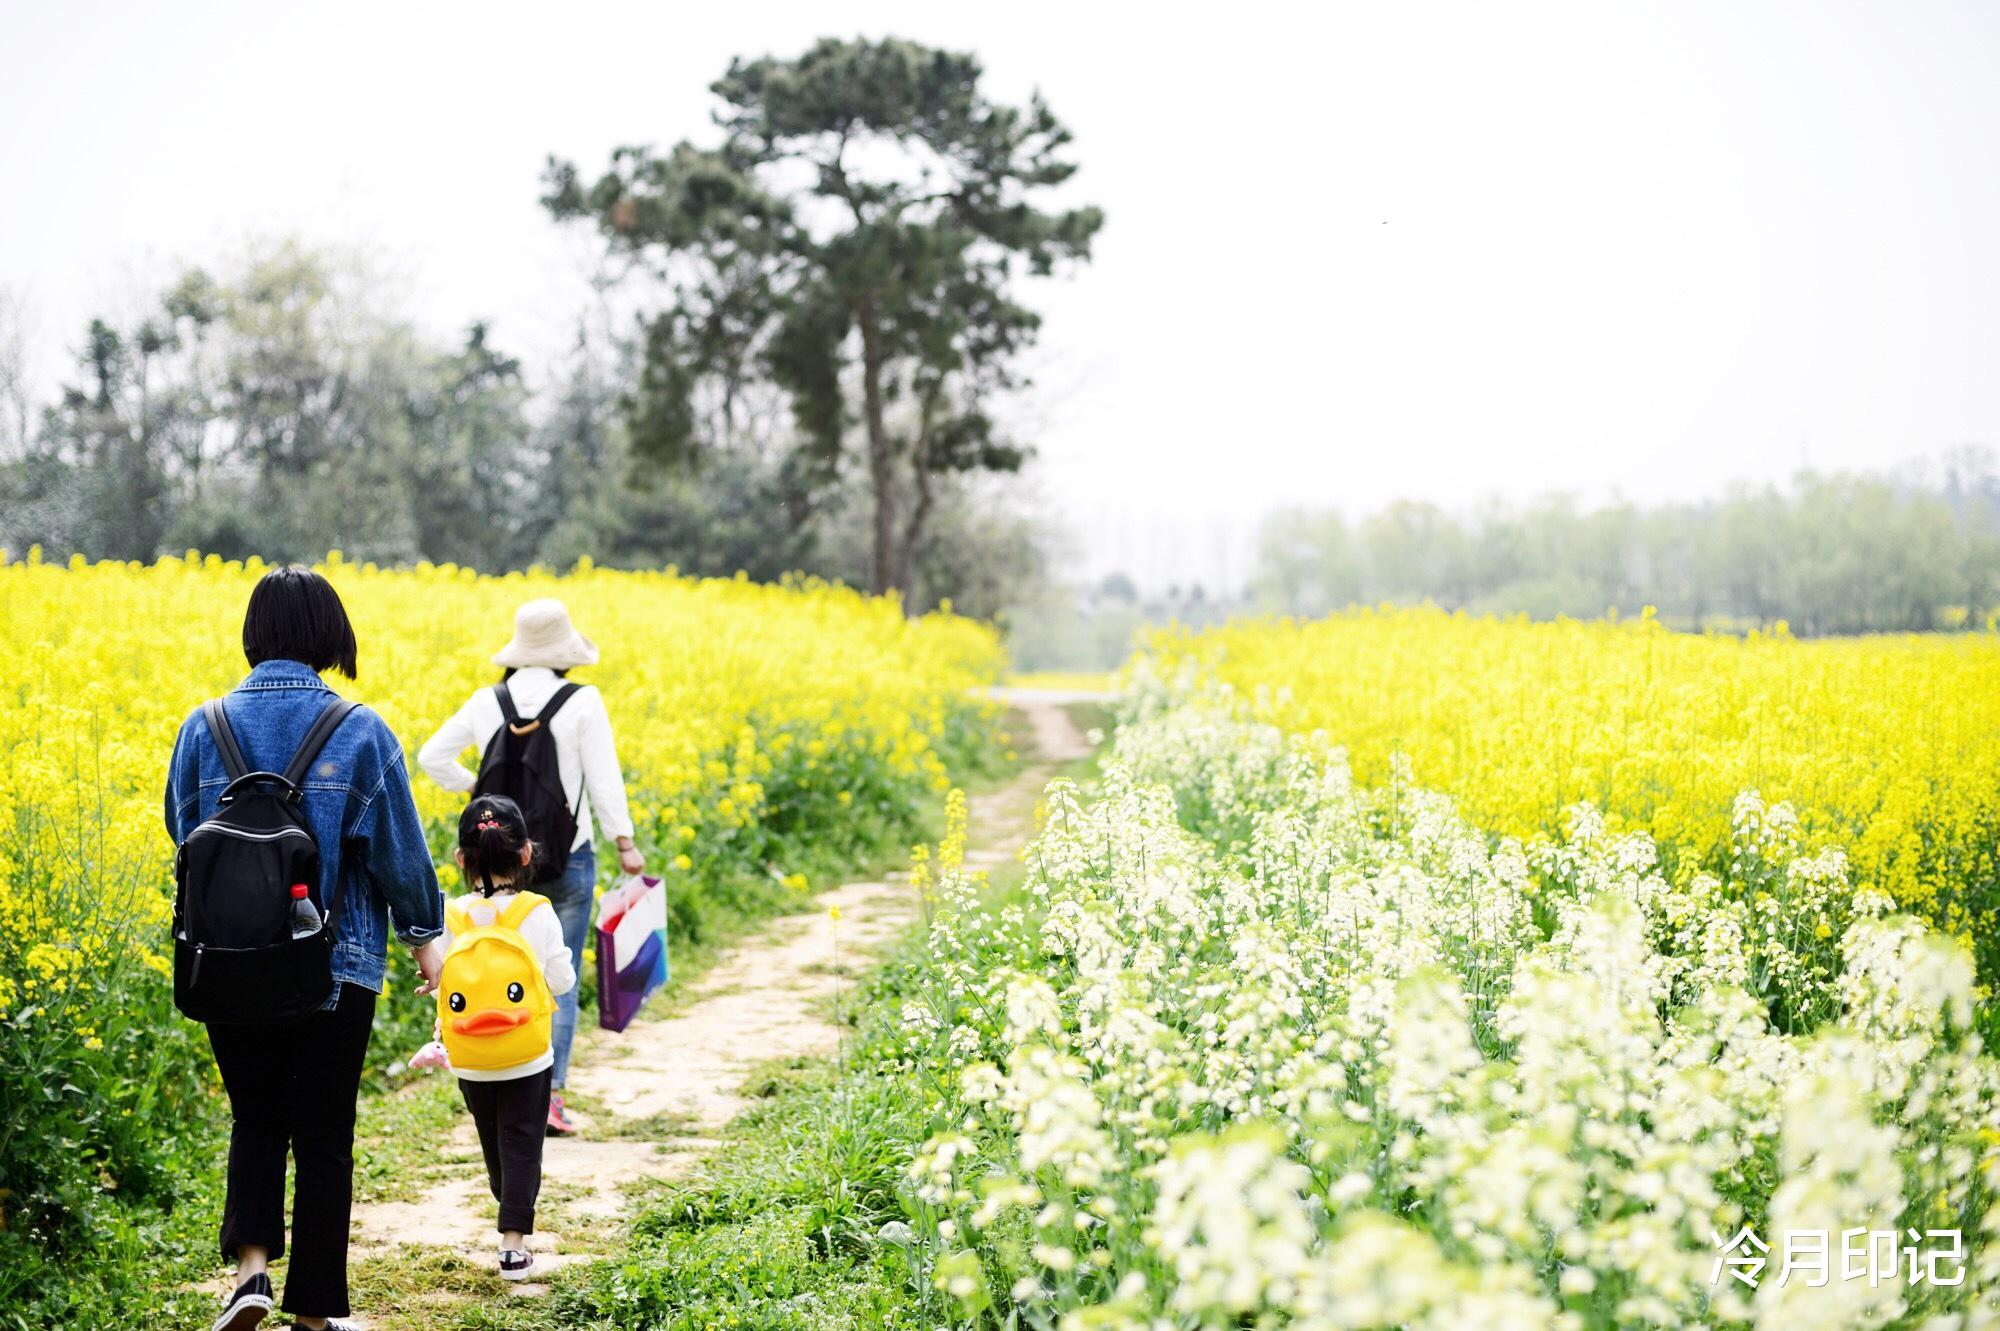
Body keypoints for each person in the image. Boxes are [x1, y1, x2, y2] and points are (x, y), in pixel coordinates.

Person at [166, 565, 444, 1331]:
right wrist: (427, 938)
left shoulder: (203, 726)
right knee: (324, 1132)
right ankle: (315, 1312)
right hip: (335, 963)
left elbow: (180, 831)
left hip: (227, 962)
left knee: (255, 1116)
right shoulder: (359, 729)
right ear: (330, 634)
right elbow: (399, 855)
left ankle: (252, 1273)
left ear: (254, 633)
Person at [417, 598, 642, 1134]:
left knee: (492, 965)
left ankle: (494, 1073)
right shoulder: (582, 700)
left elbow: (431, 757)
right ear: (565, 653)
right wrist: (624, 842)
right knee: (554, 975)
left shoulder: (486, 699)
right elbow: (604, 778)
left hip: (496, 861)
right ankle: (550, 1096)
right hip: (570, 854)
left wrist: (478, 790)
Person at [428, 796, 576, 1280]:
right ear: (526, 854)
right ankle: (513, 1243)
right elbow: (561, 982)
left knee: (493, 1137)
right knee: (522, 1139)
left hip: (470, 1055)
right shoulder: (538, 911)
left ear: (461, 859)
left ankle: (505, 1193)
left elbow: (443, 978)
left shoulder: (450, 915)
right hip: (527, 1053)